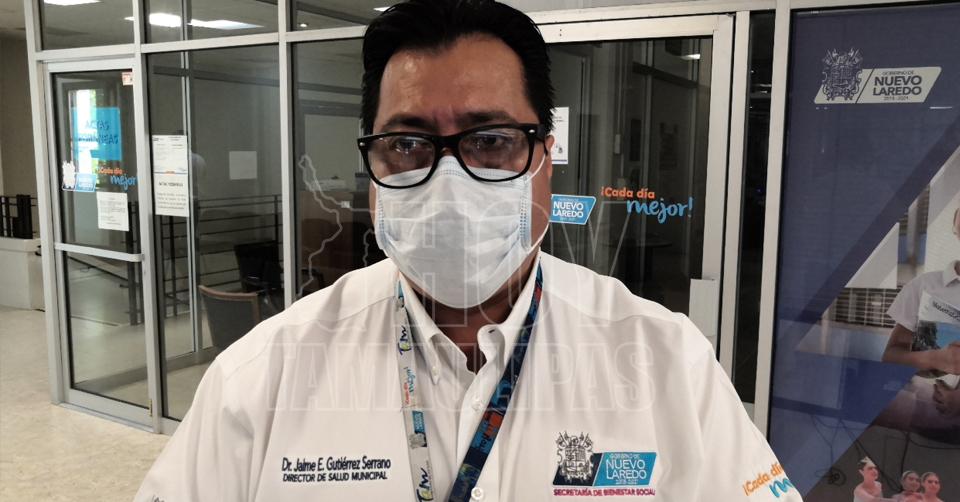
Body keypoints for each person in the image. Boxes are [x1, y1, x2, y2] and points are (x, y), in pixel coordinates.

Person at [134, 1, 802, 500]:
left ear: (545, 158)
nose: (449, 183)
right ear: (372, 167)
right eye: (407, 143)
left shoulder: (665, 362)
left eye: (490, 140)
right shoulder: (261, 378)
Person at [883, 207, 960, 427]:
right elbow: (890, 357)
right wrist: (935, 358)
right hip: (924, 422)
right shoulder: (924, 286)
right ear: (956, 229)